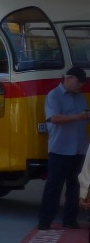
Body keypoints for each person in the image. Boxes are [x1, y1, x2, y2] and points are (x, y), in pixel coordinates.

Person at [39, 66, 90, 231]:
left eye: (82, 84)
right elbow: (54, 118)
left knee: (75, 186)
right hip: (60, 149)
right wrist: (78, 117)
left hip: (78, 149)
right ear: (68, 78)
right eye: (78, 82)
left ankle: (70, 219)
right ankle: (45, 221)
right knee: (54, 186)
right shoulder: (53, 96)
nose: (80, 86)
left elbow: (83, 117)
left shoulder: (80, 98)